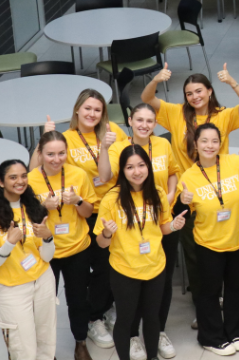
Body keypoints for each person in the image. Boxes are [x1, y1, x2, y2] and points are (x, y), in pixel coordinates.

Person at [141, 64, 239, 328]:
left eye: (199, 91)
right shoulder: (175, 113)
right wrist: (156, 79)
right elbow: (147, 99)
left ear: (209, 91)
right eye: (189, 92)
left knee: (220, 246)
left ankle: (221, 296)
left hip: (219, 190)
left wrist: (232, 81)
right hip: (190, 192)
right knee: (193, 250)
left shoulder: (222, 115)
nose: (194, 97)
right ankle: (202, 302)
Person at [31, 88, 127, 349]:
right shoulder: (66, 138)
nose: (92, 114)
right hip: (80, 216)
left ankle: (101, 310)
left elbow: (114, 172)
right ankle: (93, 318)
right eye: (87, 108)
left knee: (108, 268)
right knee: (87, 272)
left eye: (97, 110)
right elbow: (36, 173)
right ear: (77, 110)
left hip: (109, 210)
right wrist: (42, 140)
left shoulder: (113, 131)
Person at [97, 104, 181, 359]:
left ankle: (152, 354)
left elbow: (163, 228)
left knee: (153, 318)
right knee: (126, 319)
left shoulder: (157, 196)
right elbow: (101, 244)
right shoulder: (111, 200)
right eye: (130, 167)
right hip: (125, 270)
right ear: (122, 171)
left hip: (155, 267)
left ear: (149, 167)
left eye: (142, 166)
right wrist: (108, 234)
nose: (137, 171)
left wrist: (174, 226)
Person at [177, 123, 239, 356]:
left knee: (234, 286)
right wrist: (182, 200)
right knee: (209, 291)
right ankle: (210, 337)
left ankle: (234, 331)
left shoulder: (235, 162)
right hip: (209, 244)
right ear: (196, 144)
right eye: (204, 141)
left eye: (214, 141)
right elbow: (178, 215)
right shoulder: (189, 177)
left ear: (220, 143)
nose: (210, 146)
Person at [0, 160, 56, 360]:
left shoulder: (33, 206)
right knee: (22, 347)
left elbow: (46, 256)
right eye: (13, 177)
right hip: (12, 289)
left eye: (23, 176)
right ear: (0, 182)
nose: (20, 181)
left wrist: (48, 237)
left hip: (43, 279)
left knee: (47, 338)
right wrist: (9, 244)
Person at [28, 132, 97, 360]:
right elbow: (25, 222)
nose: (56, 159)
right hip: (45, 252)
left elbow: (88, 213)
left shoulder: (78, 174)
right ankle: (46, 351)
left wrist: (77, 201)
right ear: (39, 154)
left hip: (77, 248)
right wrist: (43, 206)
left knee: (78, 299)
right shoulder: (29, 181)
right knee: (45, 303)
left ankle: (80, 342)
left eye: (61, 153)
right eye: (50, 154)